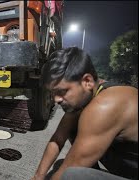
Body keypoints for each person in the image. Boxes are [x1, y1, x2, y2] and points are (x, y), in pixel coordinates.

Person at [31, 47, 138, 180]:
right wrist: (37, 177)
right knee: (73, 129)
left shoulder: (106, 105)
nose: (56, 99)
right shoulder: (86, 96)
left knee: (71, 175)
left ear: (87, 81)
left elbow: (70, 168)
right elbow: (58, 139)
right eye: (52, 93)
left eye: (62, 91)